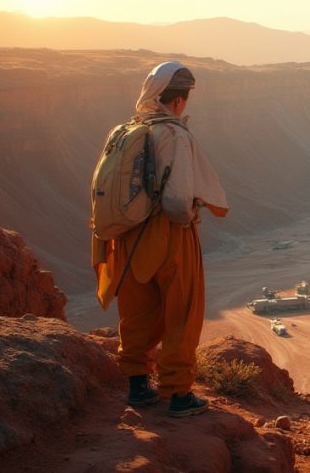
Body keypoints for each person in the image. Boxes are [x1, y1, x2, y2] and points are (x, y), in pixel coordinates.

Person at [91, 61, 229, 417]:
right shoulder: (174, 135)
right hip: (168, 235)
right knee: (181, 311)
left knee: (137, 310)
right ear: (179, 100)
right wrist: (188, 217)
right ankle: (178, 392)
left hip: (126, 237)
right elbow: (179, 202)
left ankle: (138, 385)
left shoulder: (125, 131)